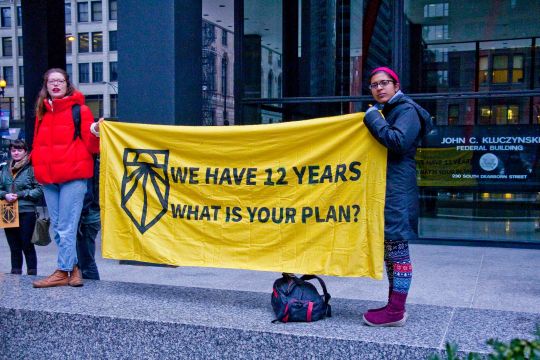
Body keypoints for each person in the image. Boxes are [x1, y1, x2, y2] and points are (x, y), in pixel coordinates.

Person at [362, 67, 432, 327]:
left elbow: (398, 141)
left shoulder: (406, 110)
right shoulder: (391, 110)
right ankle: (394, 306)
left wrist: (372, 119)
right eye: (374, 85)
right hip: (390, 190)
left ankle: (395, 312)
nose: (379, 88)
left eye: (384, 83)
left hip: (398, 192)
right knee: (391, 251)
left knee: (398, 252)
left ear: (395, 85)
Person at [31, 68, 102, 288]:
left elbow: (92, 147)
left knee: (66, 227)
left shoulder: (79, 110)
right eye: (51, 81)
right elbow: (37, 142)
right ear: (46, 85)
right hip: (49, 178)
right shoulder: (42, 111)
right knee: (60, 227)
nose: (55, 85)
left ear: (66, 84)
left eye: (60, 81)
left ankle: (63, 270)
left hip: (73, 175)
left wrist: (96, 131)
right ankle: (73, 269)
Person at [0, 140, 43, 275]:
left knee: (27, 245)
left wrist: (21, 194)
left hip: (27, 211)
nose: (16, 153)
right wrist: (4, 194)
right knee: (14, 246)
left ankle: (31, 275)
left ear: (25, 152)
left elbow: (40, 190)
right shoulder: (5, 168)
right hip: (8, 211)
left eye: (19, 150)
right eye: (13, 150)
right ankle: (15, 274)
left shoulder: (32, 168)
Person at [76, 154, 100, 280]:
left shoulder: (91, 166)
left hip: (88, 215)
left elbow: (88, 194)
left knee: (86, 259)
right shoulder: (97, 165)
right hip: (92, 213)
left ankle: (92, 290)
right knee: (86, 258)